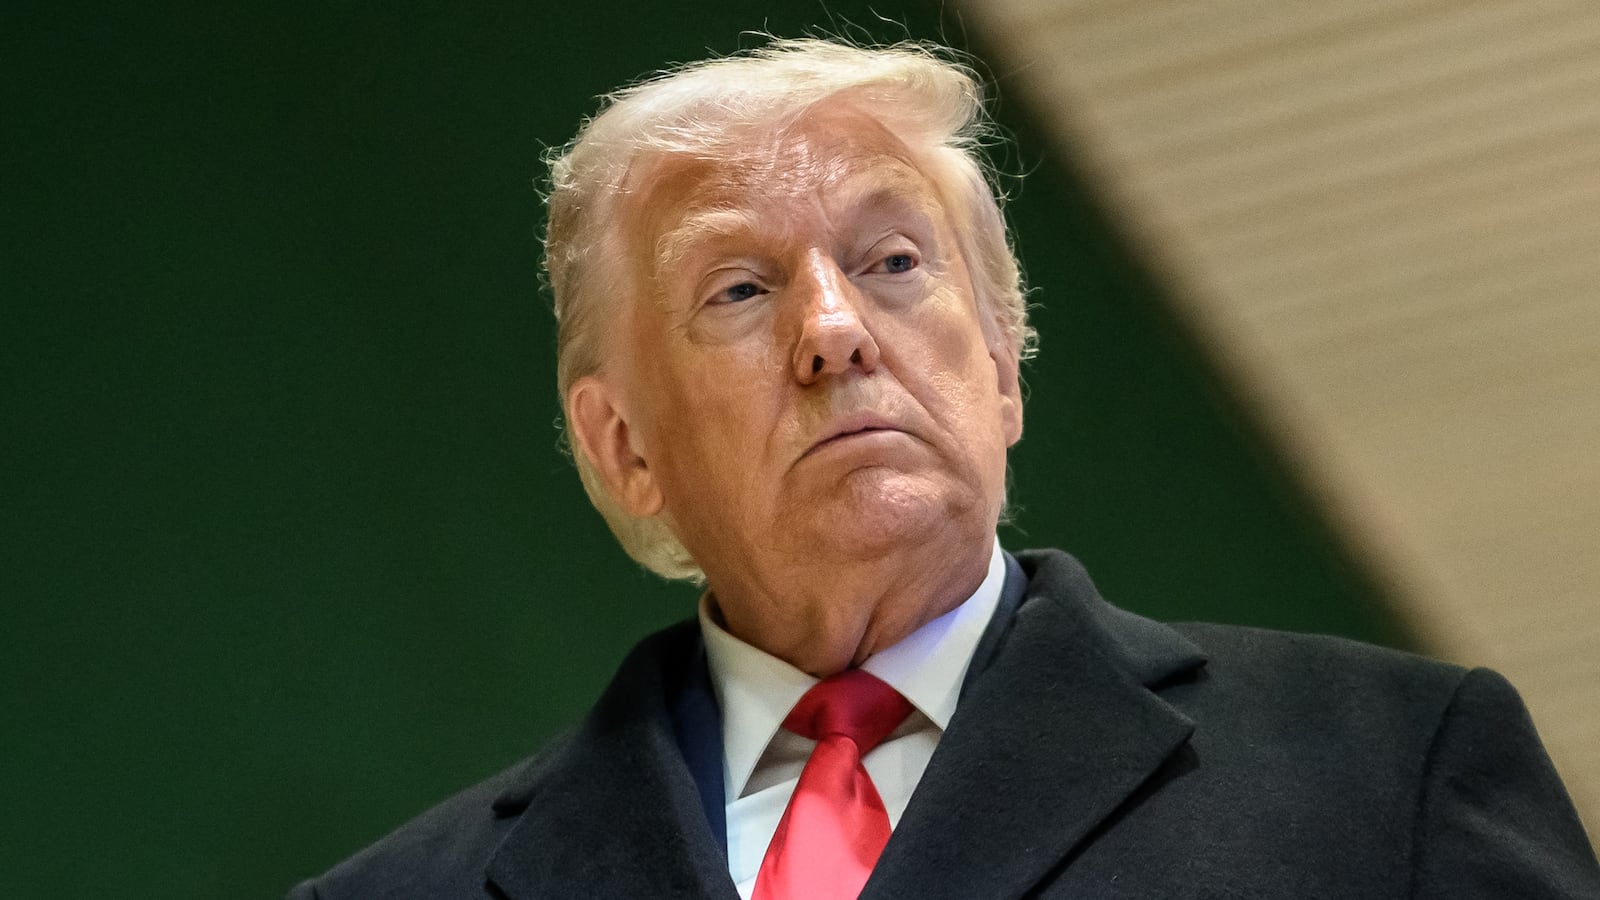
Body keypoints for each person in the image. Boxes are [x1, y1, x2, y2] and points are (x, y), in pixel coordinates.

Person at [290, 37, 1600, 899]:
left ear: (1004, 367)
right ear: (624, 448)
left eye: (893, 262)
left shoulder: (1388, 774)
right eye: (741, 288)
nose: (835, 330)